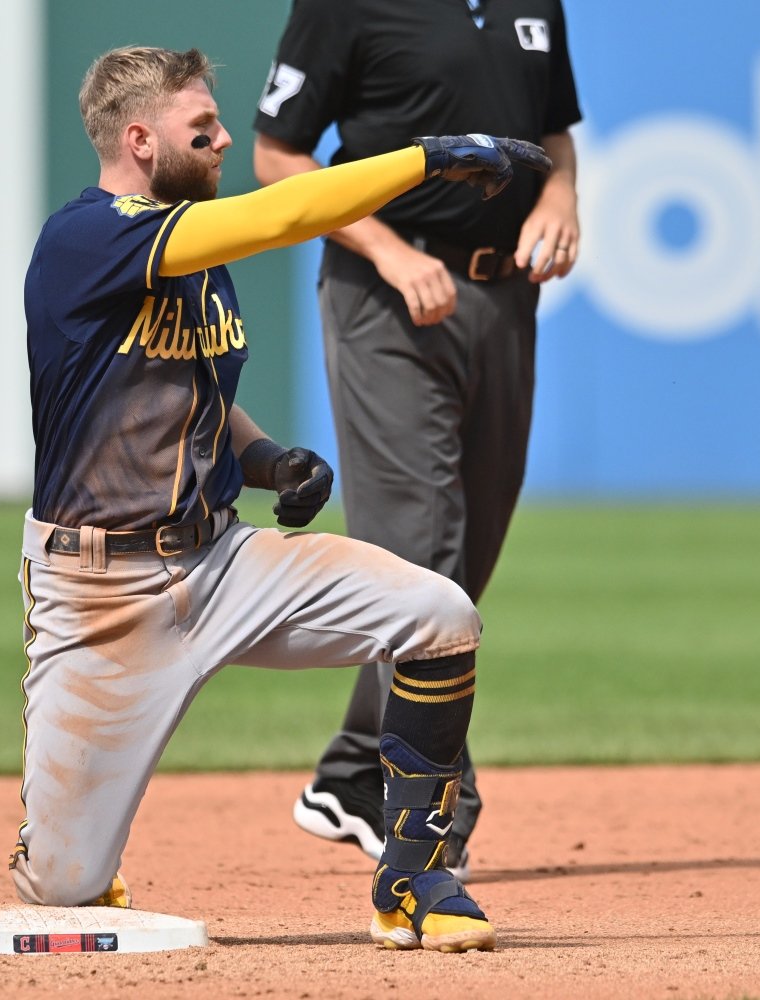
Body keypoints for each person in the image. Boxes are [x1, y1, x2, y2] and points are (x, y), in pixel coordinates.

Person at [8, 45, 550, 953]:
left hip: (220, 561)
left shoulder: (187, 254)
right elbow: (284, 213)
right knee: (64, 888)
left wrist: (266, 460)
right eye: (201, 128)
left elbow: (186, 389)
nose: (225, 139)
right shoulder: (87, 237)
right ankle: (67, 851)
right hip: (101, 596)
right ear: (139, 140)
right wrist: (427, 157)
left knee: (438, 613)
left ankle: (415, 875)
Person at [253, 0, 582, 880]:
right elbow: (278, 156)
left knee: (470, 552)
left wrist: (562, 195)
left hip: (504, 295)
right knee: (422, 548)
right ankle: (427, 807)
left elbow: (552, 135)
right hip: (386, 294)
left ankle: (354, 770)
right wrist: (391, 253)